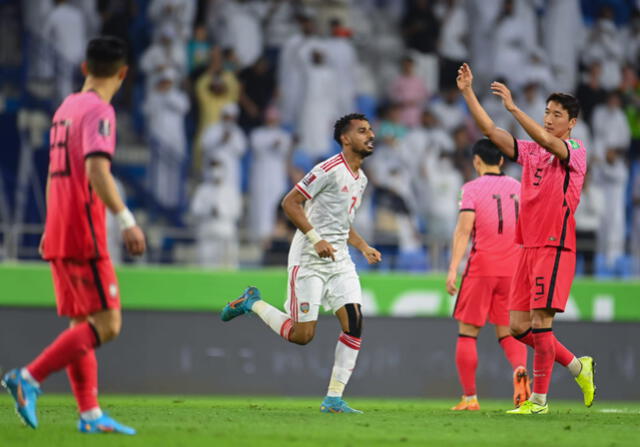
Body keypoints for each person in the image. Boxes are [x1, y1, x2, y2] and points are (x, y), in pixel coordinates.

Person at [2, 36, 146, 434]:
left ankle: (89, 414)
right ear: (123, 73)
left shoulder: (65, 108)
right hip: (84, 228)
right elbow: (97, 170)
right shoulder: (100, 111)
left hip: (60, 225)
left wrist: (50, 224)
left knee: (80, 321)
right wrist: (126, 219)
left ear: (84, 68)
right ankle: (27, 378)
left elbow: (53, 173)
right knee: (109, 323)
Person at [456, 62, 595, 414]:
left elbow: (548, 140)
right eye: (546, 112)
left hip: (554, 245)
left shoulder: (575, 148)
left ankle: (539, 402)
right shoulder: (530, 151)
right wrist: (468, 93)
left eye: (556, 114)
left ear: (571, 123)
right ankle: (579, 367)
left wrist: (515, 108)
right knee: (518, 328)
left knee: (541, 324)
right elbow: (490, 129)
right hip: (525, 247)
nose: (549, 119)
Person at [220, 113, 382, 413]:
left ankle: (333, 398)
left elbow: (343, 223)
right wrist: (314, 237)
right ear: (345, 139)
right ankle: (251, 303)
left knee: (355, 324)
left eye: (370, 130)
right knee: (302, 336)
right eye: (362, 131)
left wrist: (362, 246)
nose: (370, 135)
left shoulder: (361, 179)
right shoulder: (328, 169)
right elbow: (289, 203)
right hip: (309, 258)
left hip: (339, 260)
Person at [447, 138, 529, 411]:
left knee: (468, 333)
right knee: (508, 333)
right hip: (514, 270)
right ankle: (520, 369)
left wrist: (452, 270)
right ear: (502, 160)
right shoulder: (519, 188)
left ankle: (470, 398)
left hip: (482, 268)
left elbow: (463, 231)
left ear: (477, 161)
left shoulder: (471, 189)